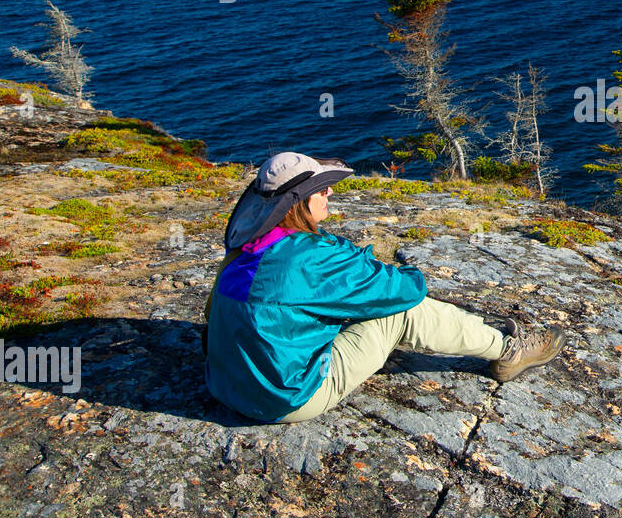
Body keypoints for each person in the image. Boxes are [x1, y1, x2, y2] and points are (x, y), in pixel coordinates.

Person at [202, 151, 565, 424]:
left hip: (225, 384)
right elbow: (406, 291)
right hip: (284, 397)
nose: (328, 191)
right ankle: (508, 350)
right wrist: (384, 273)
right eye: (319, 188)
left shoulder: (245, 249)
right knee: (404, 312)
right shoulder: (310, 259)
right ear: (298, 202)